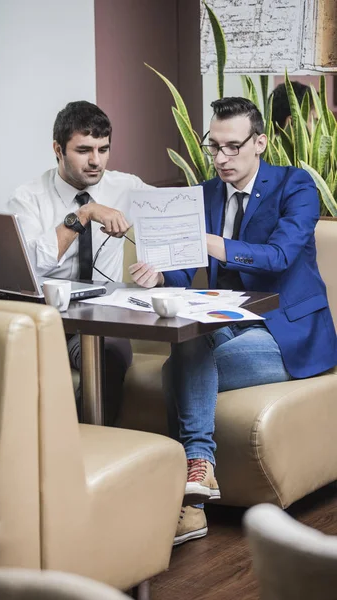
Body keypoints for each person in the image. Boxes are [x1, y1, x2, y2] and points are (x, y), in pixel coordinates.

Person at [130, 97, 337, 545]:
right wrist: (162, 271)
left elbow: (280, 255)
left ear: (260, 142)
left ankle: (191, 502)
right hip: (226, 318)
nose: (222, 158)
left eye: (233, 147)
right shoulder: (205, 193)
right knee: (188, 343)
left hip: (287, 332)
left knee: (179, 369)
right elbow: (187, 265)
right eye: (214, 147)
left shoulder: (296, 186)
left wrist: (212, 241)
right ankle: (198, 479)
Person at [8, 100, 152, 425]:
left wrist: (157, 265)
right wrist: (84, 214)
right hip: (45, 323)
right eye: (84, 150)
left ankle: (82, 449)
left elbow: (172, 218)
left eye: (104, 149)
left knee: (110, 356)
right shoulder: (28, 199)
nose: (95, 161)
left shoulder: (126, 187)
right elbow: (29, 266)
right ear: (58, 149)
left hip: (101, 324)